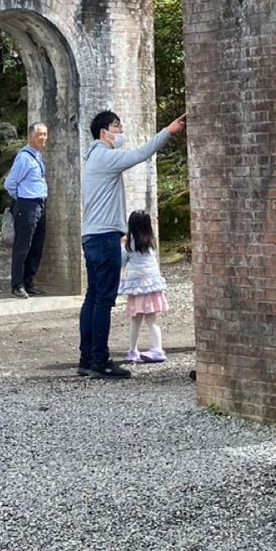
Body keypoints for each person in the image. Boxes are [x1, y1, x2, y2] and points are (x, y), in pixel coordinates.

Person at [78, 108, 185, 380]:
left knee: (92, 298)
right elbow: (140, 154)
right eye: (117, 127)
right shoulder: (104, 156)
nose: (120, 132)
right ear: (104, 133)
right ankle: (100, 361)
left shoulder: (93, 159)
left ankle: (87, 358)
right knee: (103, 300)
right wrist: (167, 132)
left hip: (91, 236)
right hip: (103, 239)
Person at [3, 122, 49, 298]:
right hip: (27, 205)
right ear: (30, 137)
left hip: (39, 204)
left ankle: (29, 282)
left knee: (36, 246)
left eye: (45, 134)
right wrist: (22, 200)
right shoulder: (24, 158)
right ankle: (17, 285)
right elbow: (10, 184)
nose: (43, 138)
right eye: (39, 134)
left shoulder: (37, 157)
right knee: (23, 246)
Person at [119, 209, 169, 364]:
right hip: (152, 286)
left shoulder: (129, 243)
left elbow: (121, 261)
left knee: (135, 321)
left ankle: (133, 351)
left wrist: (120, 244)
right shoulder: (150, 242)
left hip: (137, 287)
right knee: (152, 321)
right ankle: (158, 349)